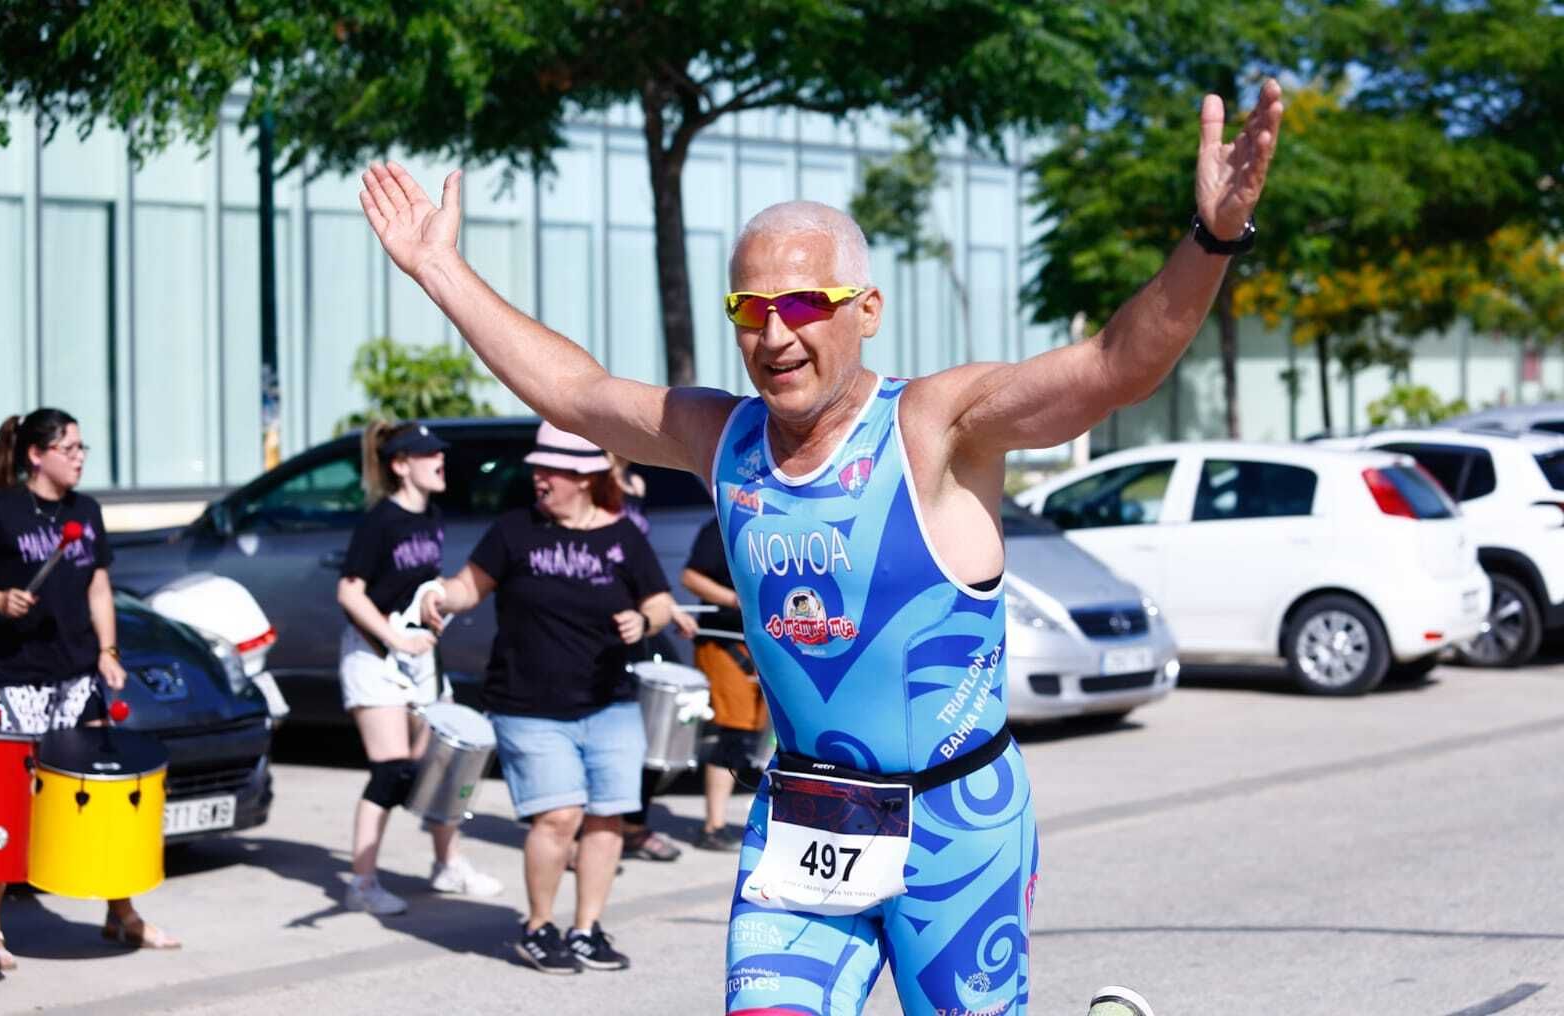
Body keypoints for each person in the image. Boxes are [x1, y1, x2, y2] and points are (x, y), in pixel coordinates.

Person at [361, 78, 1281, 1014]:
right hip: (804, 816)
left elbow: (1111, 366)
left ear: (866, 310)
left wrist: (1211, 241)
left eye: (803, 303)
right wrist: (440, 268)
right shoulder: (722, 438)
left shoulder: (936, 427)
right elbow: (577, 392)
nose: (773, 334)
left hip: (957, 821)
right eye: (750, 309)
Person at [418, 422, 684, 975]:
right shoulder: (514, 531)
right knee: (560, 817)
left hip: (609, 703)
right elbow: (470, 584)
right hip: (526, 703)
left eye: (551, 471)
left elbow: (659, 601)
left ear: (584, 478)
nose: (538, 479)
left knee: (608, 819)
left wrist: (643, 618)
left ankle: (586, 929)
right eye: (537, 469)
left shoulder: (623, 538)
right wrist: (440, 593)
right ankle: (538, 926)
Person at [0, 409, 180, 970]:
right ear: (37, 455)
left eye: (84, 448)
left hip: (77, 676)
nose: (81, 458)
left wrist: (108, 652)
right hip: (16, 679)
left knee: (101, 794)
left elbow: (100, 587)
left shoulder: (86, 511)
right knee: (8, 806)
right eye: (71, 448)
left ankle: (120, 912)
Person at [335, 420, 502, 916]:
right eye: (428, 455)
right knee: (390, 773)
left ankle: (447, 863)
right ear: (400, 464)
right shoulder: (379, 520)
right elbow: (349, 591)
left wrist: (434, 607)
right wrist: (395, 638)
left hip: (421, 659)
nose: (439, 461)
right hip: (375, 657)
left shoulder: (430, 514)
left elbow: (422, 582)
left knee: (445, 763)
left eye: (439, 454)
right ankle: (361, 884)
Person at [607, 451, 697, 863]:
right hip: (610, 615)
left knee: (651, 722)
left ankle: (633, 826)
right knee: (614, 724)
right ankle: (601, 829)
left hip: (643, 613)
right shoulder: (595, 480)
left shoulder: (636, 485)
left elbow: (642, 559)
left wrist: (667, 606)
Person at [680, 517, 765, 851]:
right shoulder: (721, 525)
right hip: (724, 641)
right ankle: (713, 826)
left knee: (753, 736)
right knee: (734, 733)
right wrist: (736, 601)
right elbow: (690, 577)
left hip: (758, 641)